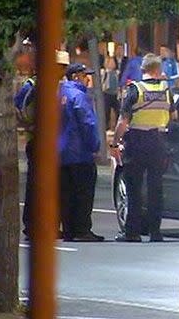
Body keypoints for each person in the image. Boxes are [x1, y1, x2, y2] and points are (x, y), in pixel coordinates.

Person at [110, 54, 175, 242]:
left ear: (143, 70)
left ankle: (133, 232)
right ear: (159, 70)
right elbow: (174, 115)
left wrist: (115, 143)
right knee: (156, 189)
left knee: (134, 189)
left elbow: (123, 121)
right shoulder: (166, 90)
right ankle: (156, 232)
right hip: (159, 141)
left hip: (137, 142)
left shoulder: (135, 89)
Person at [14, 47, 70, 239]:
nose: (62, 71)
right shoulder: (33, 84)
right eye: (60, 67)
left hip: (55, 142)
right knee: (35, 185)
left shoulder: (62, 86)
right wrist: (28, 125)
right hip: (38, 141)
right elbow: (16, 105)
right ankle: (31, 226)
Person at [59, 63, 104, 242]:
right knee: (83, 194)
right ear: (76, 76)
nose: (88, 79)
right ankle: (82, 230)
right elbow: (88, 124)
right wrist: (95, 146)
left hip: (60, 153)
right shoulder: (79, 96)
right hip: (79, 153)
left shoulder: (58, 94)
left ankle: (69, 229)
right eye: (85, 75)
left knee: (66, 194)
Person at [101, 55, 120, 130]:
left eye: (113, 62)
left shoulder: (117, 73)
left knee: (118, 111)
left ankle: (117, 127)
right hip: (106, 93)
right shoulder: (104, 72)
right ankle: (106, 128)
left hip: (116, 94)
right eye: (110, 62)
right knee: (106, 112)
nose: (112, 64)